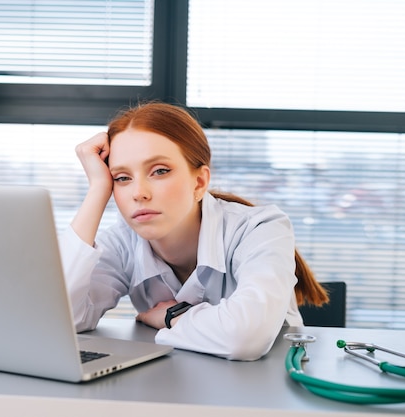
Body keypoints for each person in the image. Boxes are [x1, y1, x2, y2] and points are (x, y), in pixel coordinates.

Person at [59, 101, 328, 360]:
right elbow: (59, 321)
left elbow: (245, 338)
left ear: (199, 182)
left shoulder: (260, 228)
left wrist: (171, 316)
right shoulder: (122, 242)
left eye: (159, 171)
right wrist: (96, 190)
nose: (139, 193)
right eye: (122, 178)